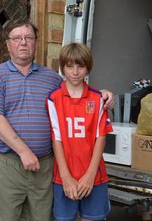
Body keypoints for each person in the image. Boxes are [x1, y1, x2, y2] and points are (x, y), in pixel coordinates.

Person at [0, 18, 114, 221]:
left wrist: (103, 94)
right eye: (17, 38)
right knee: (2, 216)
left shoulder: (51, 78)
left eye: (28, 37)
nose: (23, 42)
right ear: (8, 44)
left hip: (44, 167)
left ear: (35, 42)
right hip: (9, 164)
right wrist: (24, 151)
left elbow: (75, 90)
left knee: (41, 217)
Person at [47, 42, 113, 221]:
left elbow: (101, 137)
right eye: (69, 66)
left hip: (94, 176)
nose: (75, 72)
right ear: (63, 68)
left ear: (88, 68)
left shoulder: (98, 99)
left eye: (80, 66)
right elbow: (57, 139)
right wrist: (66, 177)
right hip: (64, 177)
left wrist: (90, 175)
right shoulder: (53, 99)